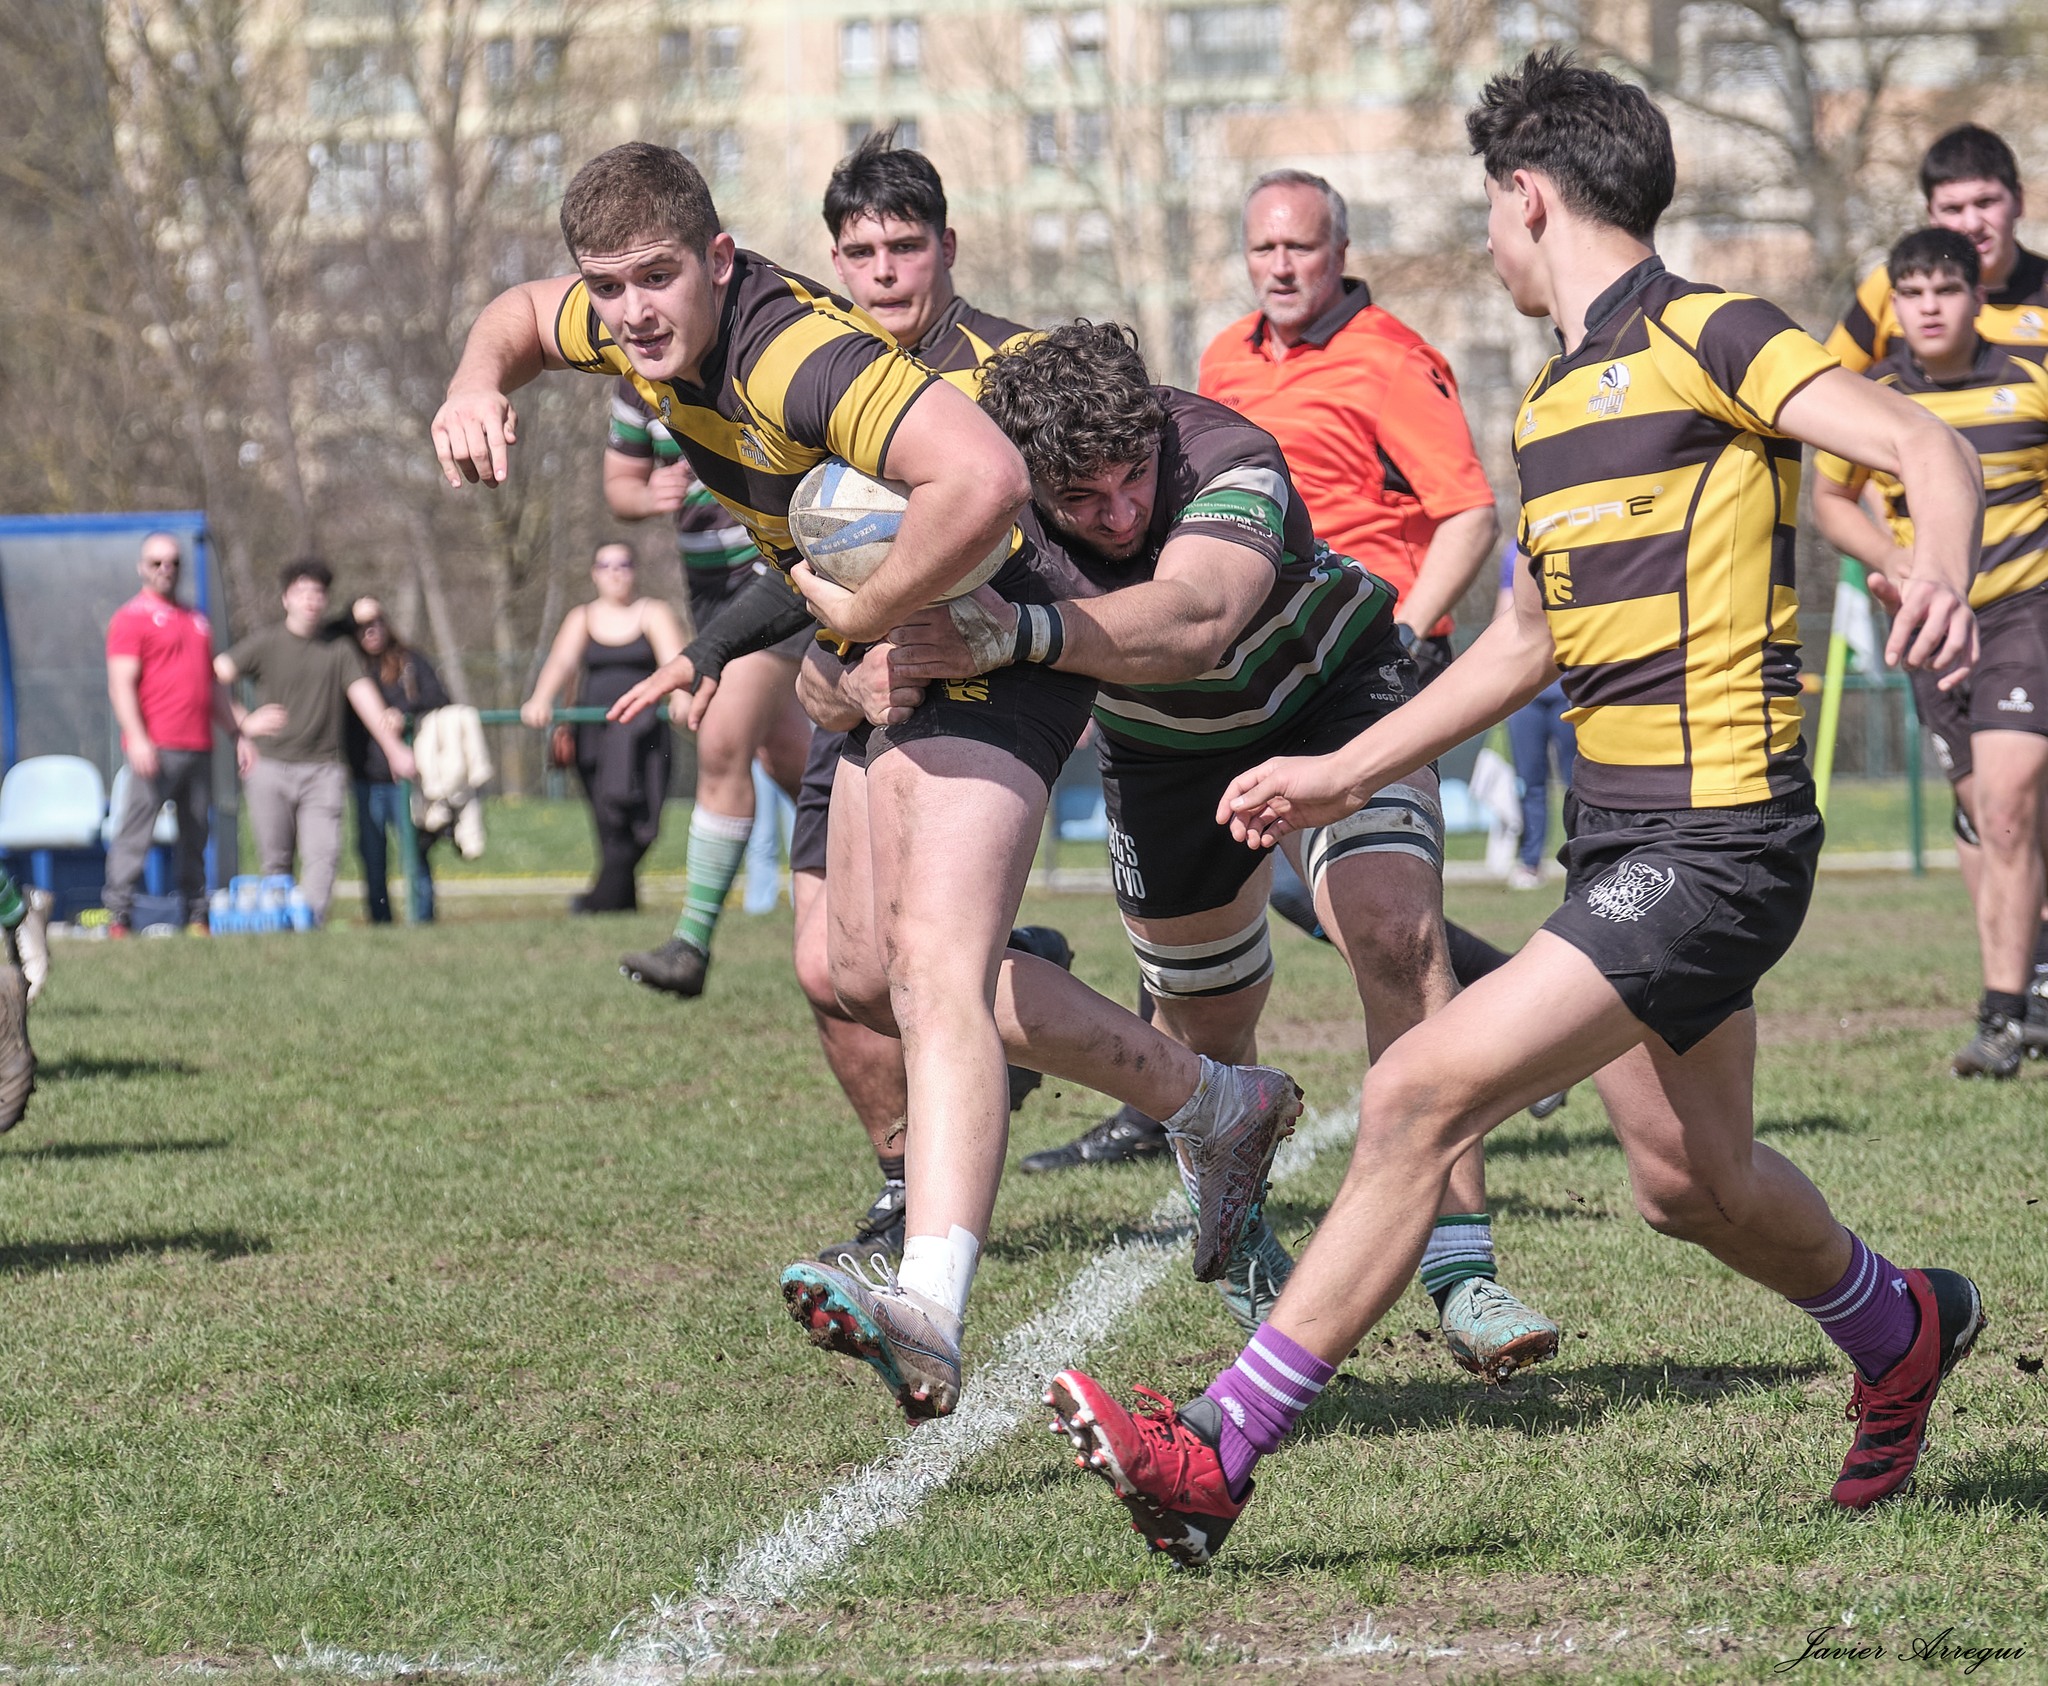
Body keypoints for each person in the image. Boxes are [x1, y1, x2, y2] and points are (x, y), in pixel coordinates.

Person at [1044, 50, 1986, 1567]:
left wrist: (1932, 562)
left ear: (1525, 194)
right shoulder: (1551, 404)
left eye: (1488, 206)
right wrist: (1338, 773)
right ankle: (1904, 1323)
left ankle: (1216, 1449)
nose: (1488, 235)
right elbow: (1523, 646)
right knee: (1692, 1182)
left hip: (1719, 836)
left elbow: (1919, 445)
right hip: (1621, 843)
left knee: (1420, 1090)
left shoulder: (1710, 331)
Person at [435, 141, 1304, 1423]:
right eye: (608, 286)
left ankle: (929, 1307)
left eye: (657, 279)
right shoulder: (620, 323)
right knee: (855, 971)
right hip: (894, 632)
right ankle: (1216, 1104)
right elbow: (518, 316)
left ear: (719, 260)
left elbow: (988, 480)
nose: (630, 311)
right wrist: (473, 385)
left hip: (996, 629)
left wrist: (874, 619)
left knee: (937, 971)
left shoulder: (793, 352)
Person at [879, 323, 1557, 1371]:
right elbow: (847, 662)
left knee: (1392, 932)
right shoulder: (987, 502)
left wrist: (1022, 633)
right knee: (1205, 1036)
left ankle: (1463, 1269)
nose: (1119, 514)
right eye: (1084, 502)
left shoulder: (1222, 451)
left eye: (1131, 480)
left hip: (1334, 694)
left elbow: (1195, 617)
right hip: (1164, 760)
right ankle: (1247, 1258)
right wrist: (861, 651)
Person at [1029, 167, 1510, 1175]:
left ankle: (1496, 1051)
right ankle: (1182, 1086)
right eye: (1263, 249)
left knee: (1372, 914)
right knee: (1239, 911)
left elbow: (1467, 513)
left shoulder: (1392, 361)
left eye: (1300, 247)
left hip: (1351, 651)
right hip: (1207, 674)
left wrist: (1419, 633)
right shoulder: (1218, 360)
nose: (1281, 266)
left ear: (1339, 253)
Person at [1812, 227, 2048, 1074]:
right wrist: (1896, 559)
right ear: (1894, 305)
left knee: (2011, 806)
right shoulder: (1875, 400)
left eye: (1945, 290)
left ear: (1977, 297)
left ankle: (2002, 1015)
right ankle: (2033, 969)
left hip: (2026, 611)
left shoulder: (2030, 382)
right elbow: (1830, 502)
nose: (1929, 307)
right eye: (1911, 294)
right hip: (1926, 623)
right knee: (1985, 812)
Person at [608, 397, 811, 992]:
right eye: (611, 295)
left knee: (722, 739)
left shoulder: (750, 357)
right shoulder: (629, 383)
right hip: (708, 592)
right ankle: (909, 883)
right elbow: (620, 487)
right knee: (797, 761)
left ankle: (691, 944)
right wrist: (650, 496)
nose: (634, 312)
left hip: (775, 576)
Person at [216, 559, 417, 924]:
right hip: (269, 768)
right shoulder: (266, 644)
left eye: (318, 593)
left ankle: (309, 925)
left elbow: (365, 698)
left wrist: (395, 749)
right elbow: (213, 676)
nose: (311, 600)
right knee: (275, 861)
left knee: (323, 856)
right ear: (285, 599)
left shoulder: (339, 650)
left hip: (323, 771)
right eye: (302, 592)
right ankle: (277, 930)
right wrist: (243, 722)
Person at [520, 543, 688, 914]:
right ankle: (615, 904)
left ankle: (599, 900)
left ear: (634, 570)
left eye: (624, 564)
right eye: (606, 565)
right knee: (608, 820)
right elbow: (563, 661)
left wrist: (680, 698)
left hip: (643, 735)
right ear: (594, 573)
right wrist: (541, 699)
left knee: (646, 824)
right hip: (593, 736)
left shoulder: (653, 613)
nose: (615, 572)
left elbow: (674, 662)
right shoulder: (582, 617)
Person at [104, 531, 241, 937]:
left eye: (173, 562)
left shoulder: (196, 620)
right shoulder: (130, 618)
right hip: (156, 746)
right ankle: (119, 915)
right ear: (141, 568)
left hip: (198, 744)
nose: (166, 570)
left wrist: (238, 732)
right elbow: (120, 684)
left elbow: (211, 686)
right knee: (136, 833)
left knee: (196, 833)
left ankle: (197, 914)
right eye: (156, 562)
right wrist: (139, 738)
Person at [1827, 125, 2048, 374]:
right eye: (1953, 209)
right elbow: (1829, 386)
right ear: (1931, 214)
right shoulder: (1890, 284)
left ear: (2018, 201)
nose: (1972, 224)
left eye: (1986, 203)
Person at [345, 597, 451, 924]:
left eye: (376, 620)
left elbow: (439, 698)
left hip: (405, 778)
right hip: (365, 777)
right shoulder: (348, 666)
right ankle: (381, 921)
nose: (370, 630)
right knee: (372, 856)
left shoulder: (408, 661)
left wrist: (403, 713)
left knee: (414, 853)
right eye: (360, 625)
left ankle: (422, 919)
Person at [1495, 542, 1575, 889]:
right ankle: (1529, 864)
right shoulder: (1514, 555)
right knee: (1530, 784)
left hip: (1572, 689)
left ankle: (1586, 861)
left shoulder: (1579, 539)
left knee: (1581, 784)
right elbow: (1503, 618)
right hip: (1527, 694)